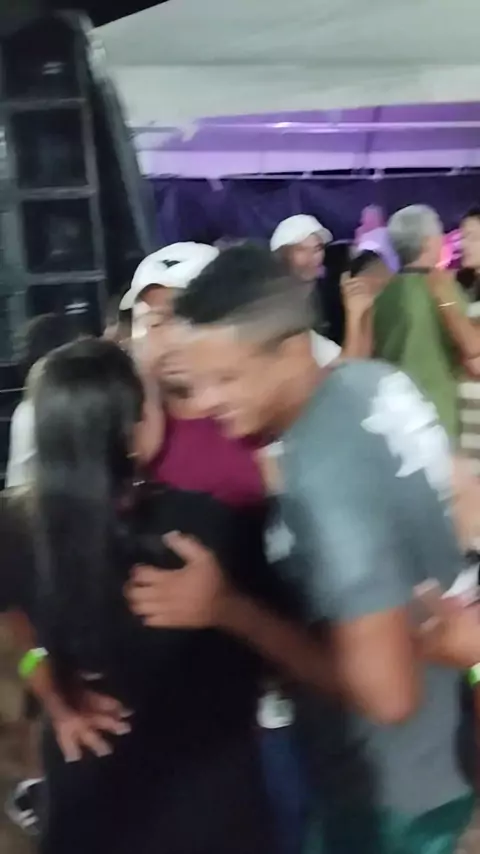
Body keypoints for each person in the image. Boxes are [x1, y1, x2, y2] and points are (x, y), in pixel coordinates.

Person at [126, 243, 476, 854]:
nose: (206, 402)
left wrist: (227, 608)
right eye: (198, 382)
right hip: (442, 759)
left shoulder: (323, 478)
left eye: (227, 378)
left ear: (289, 351)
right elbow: (463, 489)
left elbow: (388, 696)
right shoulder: (371, 382)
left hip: (383, 796)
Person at [0, 337, 277, 854]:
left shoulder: (15, 527)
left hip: (88, 787)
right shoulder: (204, 527)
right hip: (207, 800)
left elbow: (17, 628)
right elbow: (277, 655)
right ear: (131, 433)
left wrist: (53, 693)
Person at [374, 205, 469, 440]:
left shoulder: (383, 292)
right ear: (428, 241)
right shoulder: (443, 288)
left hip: (394, 410)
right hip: (438, 408)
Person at [271, 215, 374, 362]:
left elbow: (358, 362)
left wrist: (363, 312)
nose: (313, 257)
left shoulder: (327, 295)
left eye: (317, 249)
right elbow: (343, 368)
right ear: (282, 255)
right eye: (301, 250)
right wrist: (355, 314)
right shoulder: (276, 308)